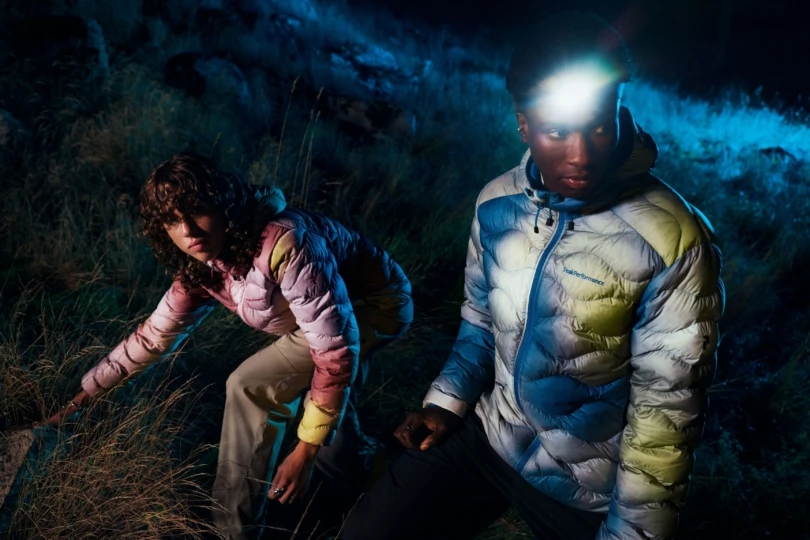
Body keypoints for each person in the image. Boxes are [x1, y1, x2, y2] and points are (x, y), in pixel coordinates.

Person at [340, 11, 725, 540]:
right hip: (491, 436)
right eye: (556, 130)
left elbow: (666, 412)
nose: (582, 152)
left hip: (590, 487)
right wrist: (445, 402)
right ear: (523, 123)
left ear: (619, 111)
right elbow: (479, 321)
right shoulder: (497, 204)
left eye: (598, 124)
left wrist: (632, 533)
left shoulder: (672, 240)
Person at [42, 152, 414, 539]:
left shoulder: (285, 242)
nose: (189, 231)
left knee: (250, 385)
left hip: (377, 306)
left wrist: (302, 454)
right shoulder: (203, 266)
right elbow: (152, 338)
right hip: (332, 317)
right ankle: (359, 477)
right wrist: (77, 404)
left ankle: (233, 530)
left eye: (197, 210)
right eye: (172, 220)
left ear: (224, 203)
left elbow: (335, 352)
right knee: (318, 396)